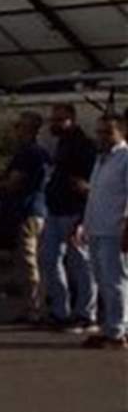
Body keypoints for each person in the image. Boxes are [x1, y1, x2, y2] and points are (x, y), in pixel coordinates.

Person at [42, 103, 99, 332]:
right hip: (56, 209)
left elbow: (90, 184)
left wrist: (83, 216)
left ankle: (86, 313)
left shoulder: (83, 146)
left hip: (74, 210)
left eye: (59, 120)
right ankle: (60, 310)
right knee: (49, 259)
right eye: (53, 120)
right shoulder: (61, 144)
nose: (54, 124)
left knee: (80, 263)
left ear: (71, 120)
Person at [75, 114, 127, 350]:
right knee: (102, 280)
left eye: (108, 132)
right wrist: (84, 224)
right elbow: (95, 195)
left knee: (115, 281)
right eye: (99, 132)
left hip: (115, 229)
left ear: (121, 133)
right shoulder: (101, 159)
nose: (102, 137)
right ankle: (110, 326)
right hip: (97, 226)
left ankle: (118, 331)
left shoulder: (125, 158)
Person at [0, 112, 52, 324]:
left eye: (18, 126)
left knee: (28, 261)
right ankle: (34, 304)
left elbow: (14, 182)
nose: (15, 130)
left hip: (26, 210)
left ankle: (34, 307)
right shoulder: (42, 153)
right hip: (39, 210)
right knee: (34, 260)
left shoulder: (27, 153)